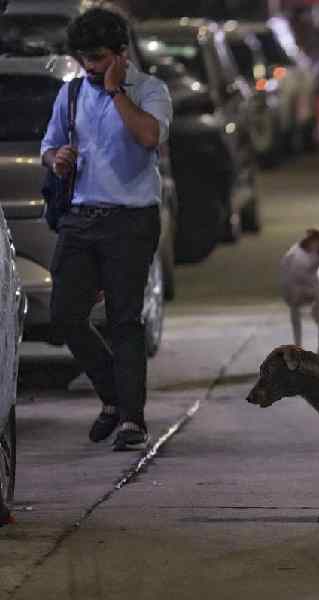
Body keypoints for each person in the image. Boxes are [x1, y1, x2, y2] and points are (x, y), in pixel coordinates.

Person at [40, 7, 172, 451]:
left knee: (124, 319)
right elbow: (49, 146)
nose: (90, 68)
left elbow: (149, 137)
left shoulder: (150, 90)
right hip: (80, 218)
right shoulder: (72, 93)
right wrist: (57, 159)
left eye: (97, 58)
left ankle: (132, 419)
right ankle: (114, 395)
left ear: (120, 54)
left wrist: (116, 93)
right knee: (65, 314)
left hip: (130, 220)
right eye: (83, 59)